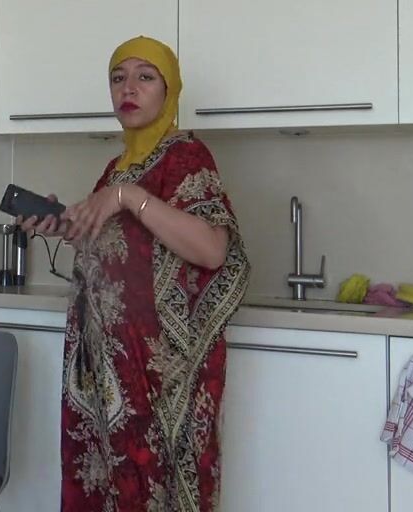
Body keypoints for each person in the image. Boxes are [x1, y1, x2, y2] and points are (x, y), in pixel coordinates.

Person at [19, 36, 249, 512]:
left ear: (170, 90)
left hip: (162, 375)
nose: (129, 88)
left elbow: (212, 249)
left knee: (153, 491)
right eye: (118, 77)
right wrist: (64, 225)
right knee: (106, 488)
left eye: (146, 77)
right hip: (104, 371)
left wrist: (128, 197)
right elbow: (121, 250)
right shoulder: (116, 168)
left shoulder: (186, 156)